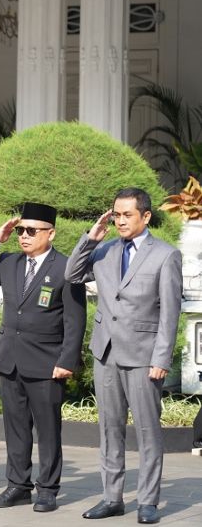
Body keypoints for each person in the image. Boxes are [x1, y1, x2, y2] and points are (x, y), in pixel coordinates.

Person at [65, 188, 182, 525]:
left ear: (145, 216)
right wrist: (90, 237)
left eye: (126, 214)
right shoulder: (103, 251)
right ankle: (112, 498)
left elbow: (170, 313)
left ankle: (148, 501)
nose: (119, 220)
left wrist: (161, 359)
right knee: (109, 429)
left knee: (148, 432)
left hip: (144, 357)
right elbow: (71, 275)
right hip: (106, 353)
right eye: (116, 214)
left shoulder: (165, 255)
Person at [0, 203, 86, 512]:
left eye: (31, 231)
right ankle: (18, 485)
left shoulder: (65, 267)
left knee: (47, 430)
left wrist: (66, 360)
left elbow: (75, 320)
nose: (24, 236)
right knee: (16, 428)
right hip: (10, 358)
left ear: (51, 233)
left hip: (47, 362)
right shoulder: (10, 262)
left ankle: (47, 488)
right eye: (21, 230)